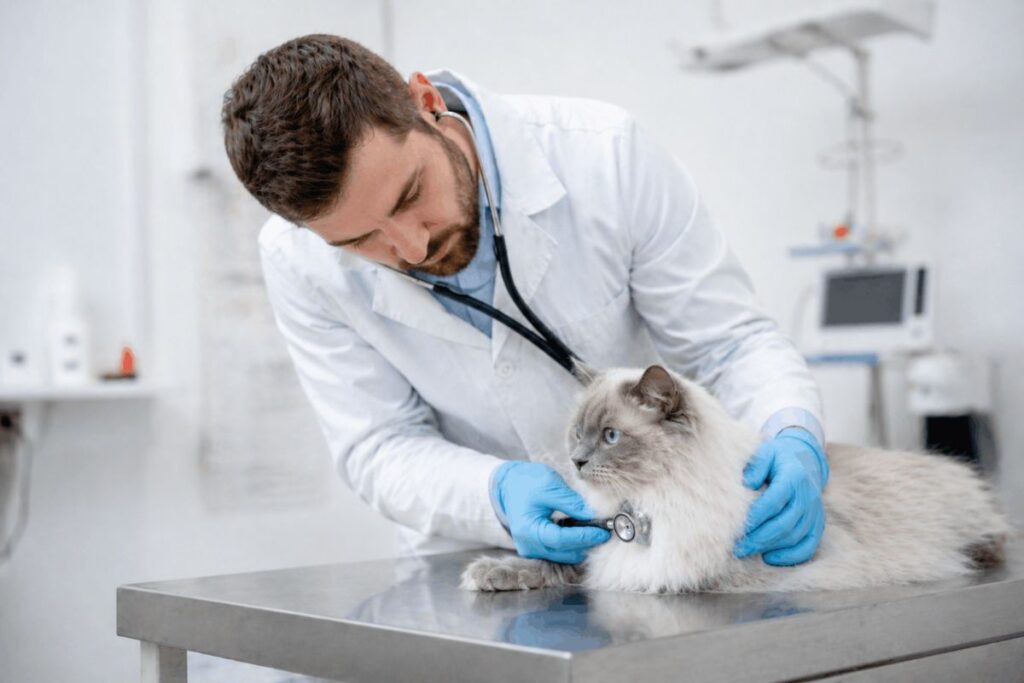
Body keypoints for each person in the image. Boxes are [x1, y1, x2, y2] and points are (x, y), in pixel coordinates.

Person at [221, 34, 829, 566]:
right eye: (360, 241)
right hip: (477, 556)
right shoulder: (297, 262)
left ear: (426, 102)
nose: (411, 247)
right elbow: (377, 444)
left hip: (661, 535)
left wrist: (791, 430)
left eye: (410, 195)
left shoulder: (606, 155)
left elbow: (728, 346)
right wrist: (494, 493)